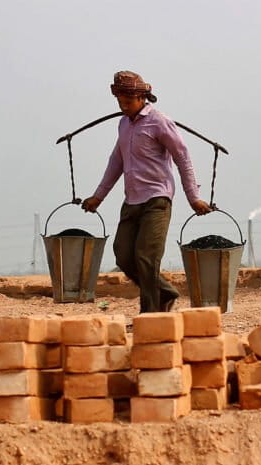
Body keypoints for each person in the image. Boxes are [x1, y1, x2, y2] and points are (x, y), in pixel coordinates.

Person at [81, 70, 213, 313]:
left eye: (128, 102)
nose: (124, 107)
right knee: (123, 254)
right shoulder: (123, 125)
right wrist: (98, 196)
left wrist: (194, 198)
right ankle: (165, 291)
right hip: (132, 200)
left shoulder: (159, 122)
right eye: (120, 102)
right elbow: (116, 162)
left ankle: (151, 313)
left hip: (157, 199)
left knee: (146, 257)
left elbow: (182, 156)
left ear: (143, 98)